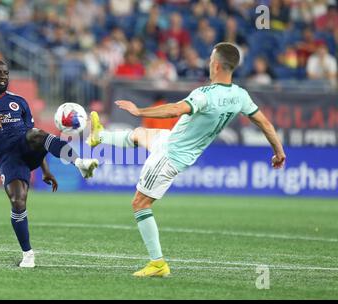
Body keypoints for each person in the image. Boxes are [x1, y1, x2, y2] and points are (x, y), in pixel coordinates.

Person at [86, 42, 286, 277]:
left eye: (211, 60)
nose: (208, 63)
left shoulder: (204, 95)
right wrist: (279, 152)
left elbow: (174, 110)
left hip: (170, 155)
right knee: (141, 135)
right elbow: (265, 123)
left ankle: (158, 263)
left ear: (217, 65)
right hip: (174, 143)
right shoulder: (240, 95)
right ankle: (99, 136)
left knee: (140, 203)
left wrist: (139, 111)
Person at [0, 59, 98, 268]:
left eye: (6, 73)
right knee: (18, 200)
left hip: (25, 145)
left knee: (37, 133)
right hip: (6, 157)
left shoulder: (19, 101)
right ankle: (28, 253)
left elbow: (34, 137)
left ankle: (80, 162)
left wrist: (45, 170)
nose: (3, 77)